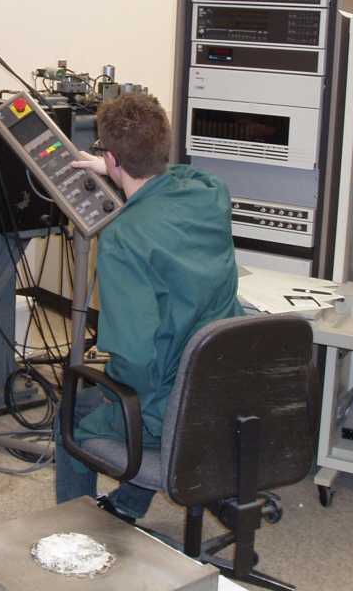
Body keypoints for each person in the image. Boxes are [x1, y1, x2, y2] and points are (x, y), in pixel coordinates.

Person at [54, 92, 244, 523]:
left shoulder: (124, 236)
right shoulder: (212, 193)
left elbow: (135, 361)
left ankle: (72, 530)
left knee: (74, 409)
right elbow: (177, 173)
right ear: (164, 148)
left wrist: (112, 166)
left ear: (112, 157)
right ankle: (126, 504)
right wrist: (116, 165)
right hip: (222, 390)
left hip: (169, 411)